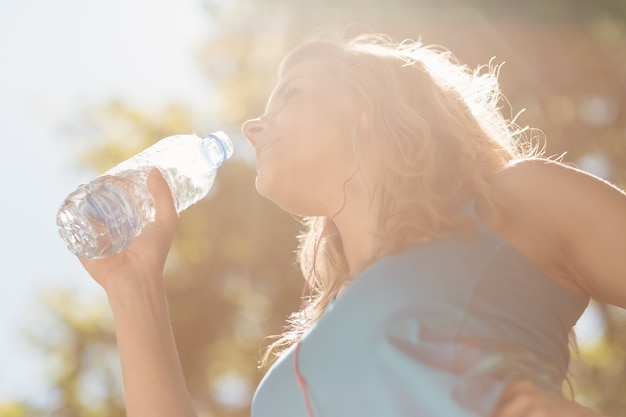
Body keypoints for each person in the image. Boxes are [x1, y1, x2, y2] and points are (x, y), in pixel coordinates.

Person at [79, 32, 626, 417]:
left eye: (291, 91)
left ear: (370, 107)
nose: (251, 126)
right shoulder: (295, 367)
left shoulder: (515, 203)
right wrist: (133, 282)